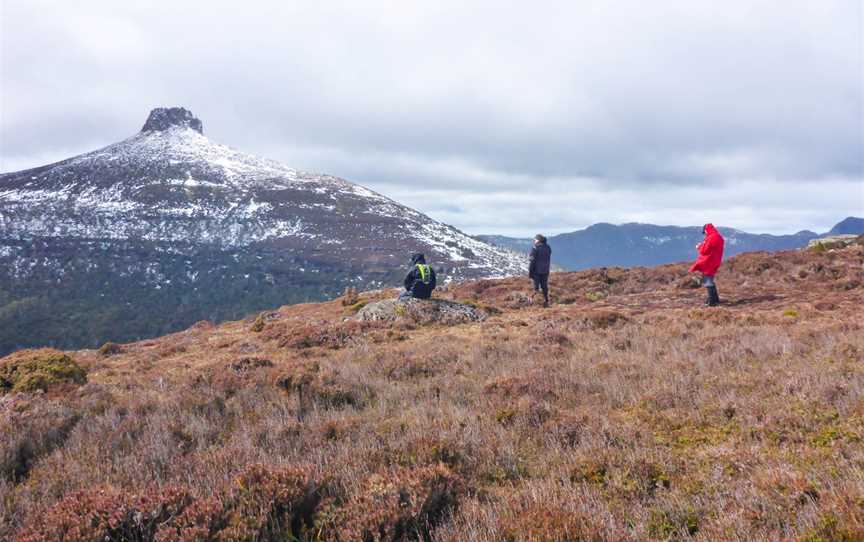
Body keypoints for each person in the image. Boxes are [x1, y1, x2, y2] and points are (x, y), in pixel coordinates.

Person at [690, 223, 725, 306]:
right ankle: (715, 299)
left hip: (708, 261)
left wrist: (698, 246)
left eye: (704, 232)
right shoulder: (719, 237)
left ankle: (712, 302)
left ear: (706, 230)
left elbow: (704, 251)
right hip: (716, 261)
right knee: (710, 280)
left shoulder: (710, 238)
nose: (704, 234)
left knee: (707, 281)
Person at [528, 234, 552, 307]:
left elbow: (532, 260)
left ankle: (535, 302)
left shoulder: (535, 248)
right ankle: (546, 301)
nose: (534, 241)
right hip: (545, 270)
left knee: (536, 287)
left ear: (538, 240)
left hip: (536, 271)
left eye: (535, 240)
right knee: (544, 286)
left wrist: (530, 271)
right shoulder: (548, 248)